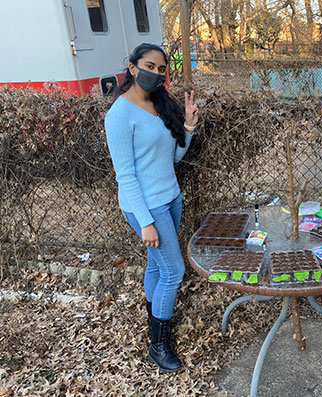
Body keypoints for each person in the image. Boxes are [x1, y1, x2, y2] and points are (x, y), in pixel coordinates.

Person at [104, 43, 198, 372]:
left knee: (158, 267)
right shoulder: (119, 115)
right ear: (132, 68)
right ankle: (158, 345)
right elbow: (125, 176)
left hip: (170, 198)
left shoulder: (159, 105)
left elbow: (171, 158)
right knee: (174, 270)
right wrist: (145, 221)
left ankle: (153, 317)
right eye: (149, 66)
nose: (156, 73)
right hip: (145, 207)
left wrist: (187, 127)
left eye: (161, 69)